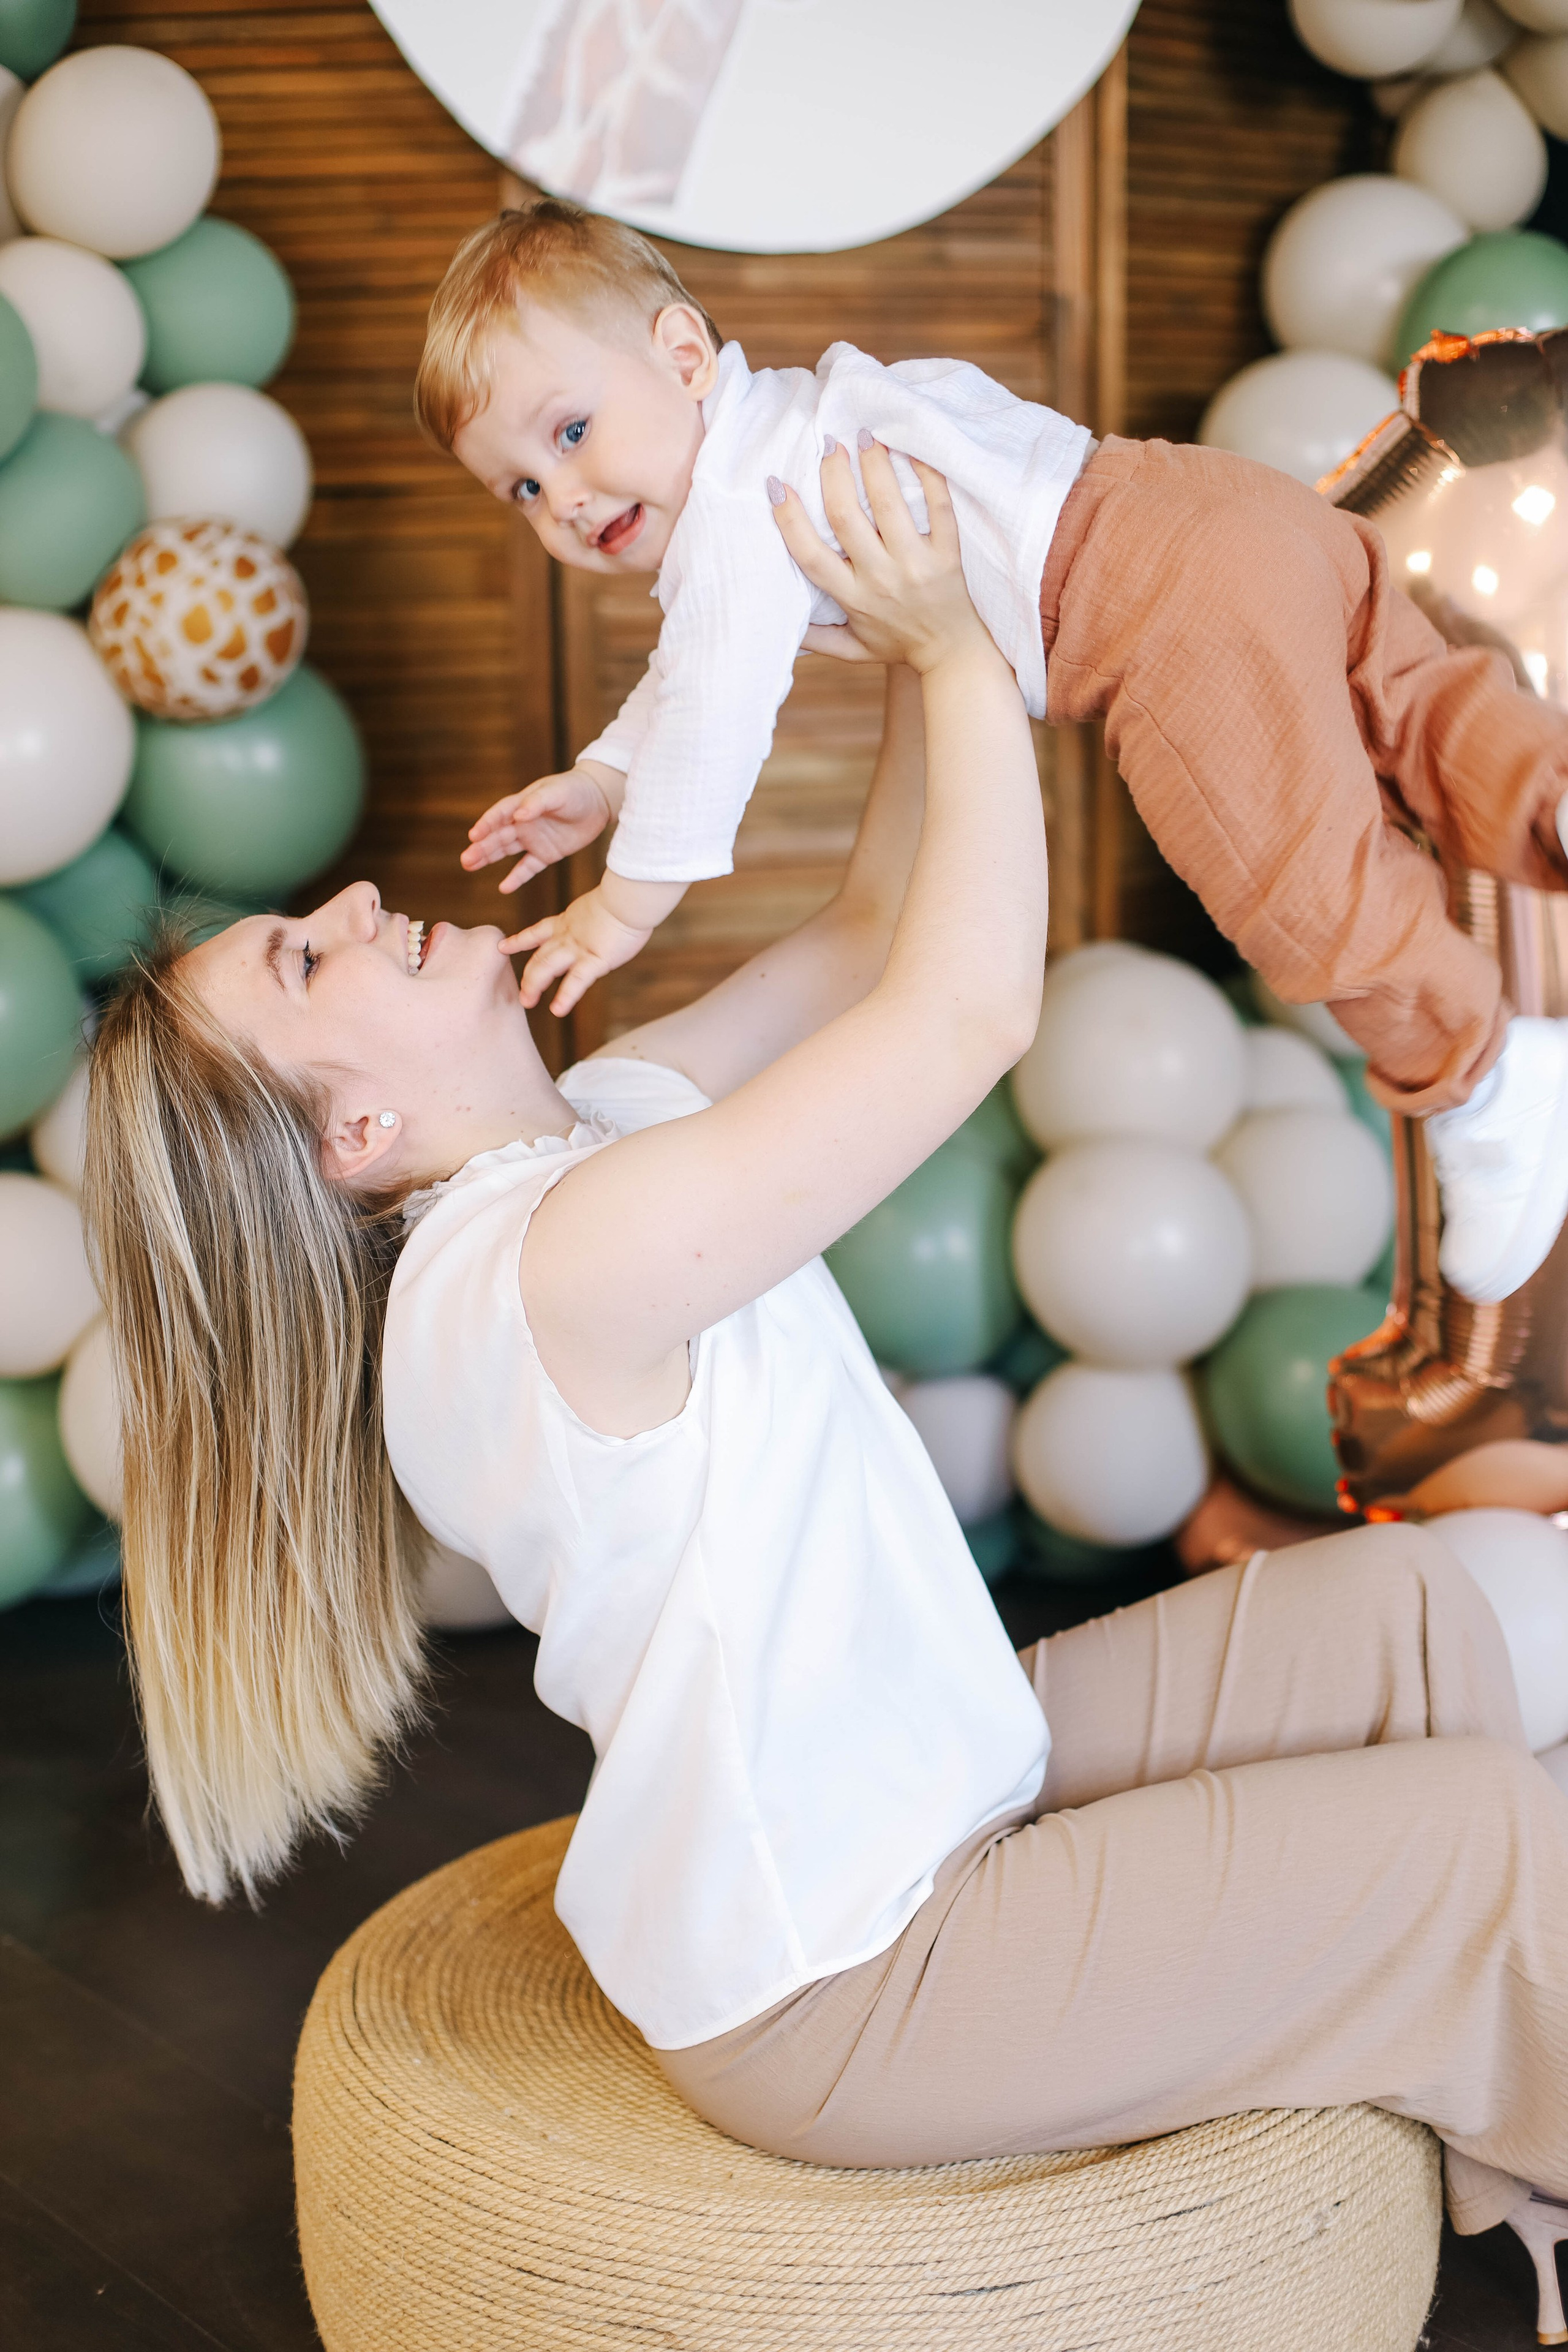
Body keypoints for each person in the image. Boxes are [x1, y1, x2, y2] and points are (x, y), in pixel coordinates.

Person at [85, 448, 1567, 2328]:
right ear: (353, 1132)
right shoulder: (539, 1277)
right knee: (1482, 1840)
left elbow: (871, 937)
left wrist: (924, 623)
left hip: (943, 1775)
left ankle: (1516, 2109)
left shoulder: (579, 1150)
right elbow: (966, 1017)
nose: (365, 895)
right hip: (855, 1977)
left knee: (1457, 1612)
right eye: (309, 956)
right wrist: (962, 653)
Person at [417, 197, 1568, 1310]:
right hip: (1210, 505)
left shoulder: (736, 503)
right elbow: (685, 678)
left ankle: (1486, 1074)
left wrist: (623, 910)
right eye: (521, 487)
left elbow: (715, 708)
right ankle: (1545, 794)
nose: (563, 497)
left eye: (570, 433)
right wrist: (604, 782)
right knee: (1412, 696)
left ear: (680, 355)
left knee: (1296, 881)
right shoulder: (786, 425)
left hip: (1149, 614)